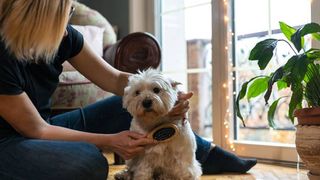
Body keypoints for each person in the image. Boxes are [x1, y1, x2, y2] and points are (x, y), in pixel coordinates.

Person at [0, 0, 256, 179]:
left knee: (130, 103)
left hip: (43, 127)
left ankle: (205, 153)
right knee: (87, 163)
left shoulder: (65, 36)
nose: (70, 18)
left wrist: (165, 93)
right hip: (9, 143)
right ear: (39, 20)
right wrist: (110, 143)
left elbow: (114, 80)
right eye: (66, 12)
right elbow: (35, 129)